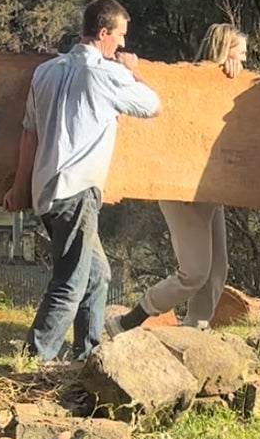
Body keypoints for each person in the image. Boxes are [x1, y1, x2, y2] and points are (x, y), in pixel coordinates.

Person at [3, 0, 161, 363]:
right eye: (120, 35)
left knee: (97, 275)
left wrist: (20, 186)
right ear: (104, 33)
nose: (123, 44)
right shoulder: (106, 73)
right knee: (70, 282)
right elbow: (154, 105)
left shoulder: (45, 71)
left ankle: (88, 354)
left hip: (47, 189)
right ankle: (35, 358)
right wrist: (133, 70)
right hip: (77, 190)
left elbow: (29, 134)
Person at [106, 24, 247, 336]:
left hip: (209, 189)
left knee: (216, 271)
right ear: (225, 51)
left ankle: (195, 329)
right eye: (241, 52)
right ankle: (127, 321)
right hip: (180, 187)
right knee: (194, 272)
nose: (245, 59)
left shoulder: (228, 83)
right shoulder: (189, 82)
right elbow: (162, 106)